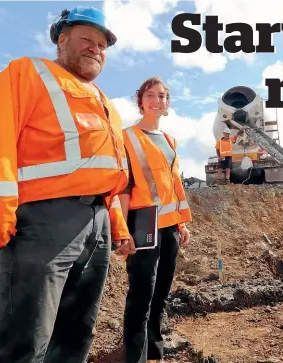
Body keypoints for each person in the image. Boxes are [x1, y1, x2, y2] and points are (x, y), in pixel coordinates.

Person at [0, 6, 131, 363]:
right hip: (43, 224)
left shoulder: (106, 104)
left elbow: (108, 178)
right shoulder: (28, 74)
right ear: (62, 39)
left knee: (76, 335)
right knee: (27, 340)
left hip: (97, 225)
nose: (96, 48)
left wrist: (117, 228)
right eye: (86, 39)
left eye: (103, 44)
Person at [113, 77, 192, 363]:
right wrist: (122, 231)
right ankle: (135, 357)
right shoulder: (127, 137)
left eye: (162, 96)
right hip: (143, 221)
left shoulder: (170, 140)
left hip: (169, 225)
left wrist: (181, 224)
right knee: (141, 296)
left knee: (160, 296)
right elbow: (123, 187)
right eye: (150, 95)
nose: (157, 100)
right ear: (140, 100)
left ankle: (153, 356)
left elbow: (174, 184)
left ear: (167, 103)